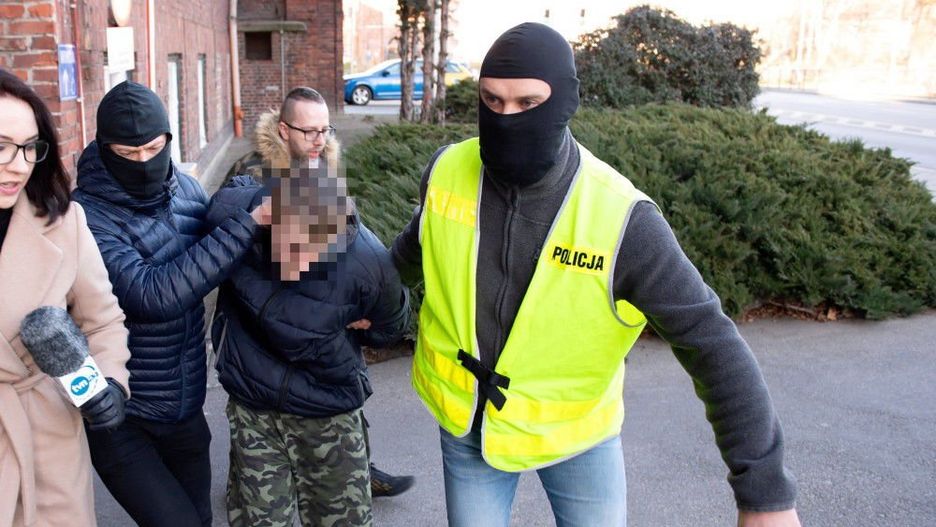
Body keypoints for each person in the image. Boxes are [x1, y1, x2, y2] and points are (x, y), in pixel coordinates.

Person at [391, 23, 802, 527]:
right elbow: (418, 245)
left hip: (577, 434)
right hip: (468, 421)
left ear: (566, 102)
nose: (506, 118)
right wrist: (367, 295)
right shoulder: (447, 169)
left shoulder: (623, 219)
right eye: (492, 101)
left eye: (527, 103)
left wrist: (765, 495)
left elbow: (711, 341)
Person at [207, 86, 410, 526]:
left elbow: (383, 304)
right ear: (284, 130)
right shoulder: (254, 173)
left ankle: (359, 467)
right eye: (309, 131)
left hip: (323, 379)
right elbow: (223, 221)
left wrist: (364, 314)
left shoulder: (335, 193)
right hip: (258, 372)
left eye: (325, 130)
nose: (319, 140)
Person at [71, 81, 264, 527]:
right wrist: (245, 226)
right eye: (128, 153)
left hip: (186, 407)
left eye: (154, 149)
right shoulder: (84, 216)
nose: (144, 162)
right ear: (104, 149)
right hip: (124, 417)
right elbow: (153, 294)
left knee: (201, 518)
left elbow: (222, 263)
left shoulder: (187, 190)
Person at [0, 69, 130, 526]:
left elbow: (103, 319)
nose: (19, 165)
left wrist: (111, 382)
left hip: (47, 435)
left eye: (29, 147)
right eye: (1, 146)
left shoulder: (63, 221)